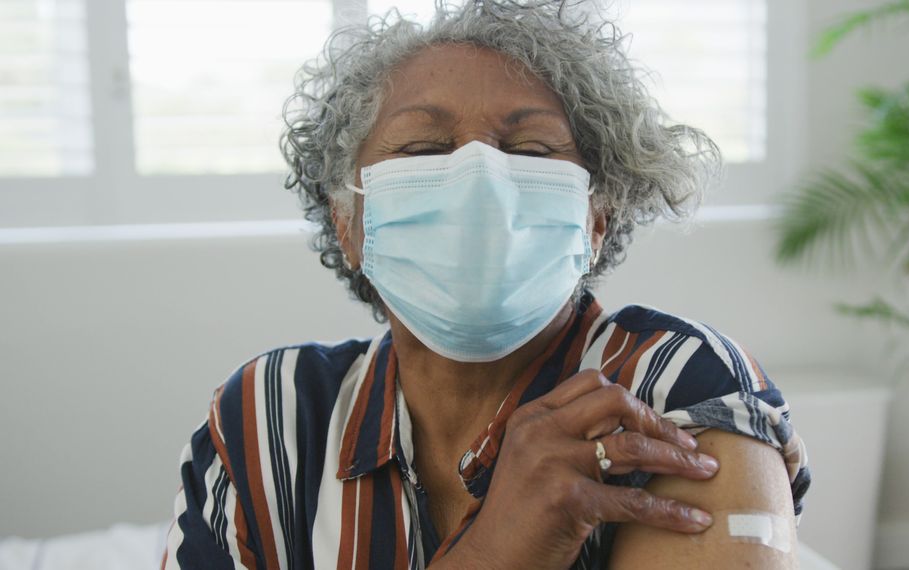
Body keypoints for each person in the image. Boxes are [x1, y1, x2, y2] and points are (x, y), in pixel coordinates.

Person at [161, 1, 810, 568]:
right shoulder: (270, 416)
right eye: (421, 150)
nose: (480, 183)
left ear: (596, 220)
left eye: (530, 153)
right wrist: (498, 553)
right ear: (349, 221)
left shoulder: (672, 387)